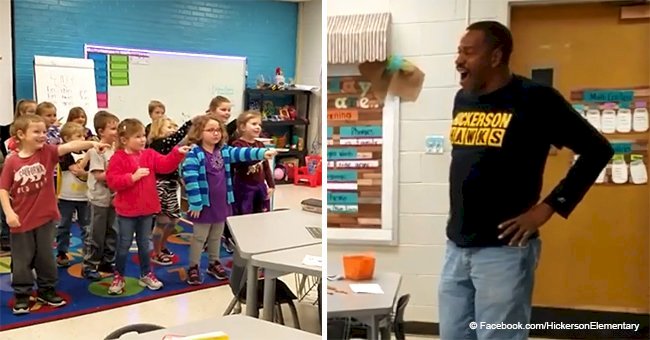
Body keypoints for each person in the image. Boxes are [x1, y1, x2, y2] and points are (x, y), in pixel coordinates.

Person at [438, 21, 614, 340]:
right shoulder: (463, 99)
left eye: (468, 52)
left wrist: (547, 208)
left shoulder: (536, 99)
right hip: (457, 246)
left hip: (504, 252)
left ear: (495, 56)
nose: (458, 60)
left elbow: (597, 150)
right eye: (458, 52)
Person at [0, 114, 109, 314]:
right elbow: (3, 189)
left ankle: (46, 290)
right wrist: (9, 213)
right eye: (37, 132)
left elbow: (70, 147)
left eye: (44, 131)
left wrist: (93, 144)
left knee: (45, 257)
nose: (43, 136)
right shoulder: (12, 162)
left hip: (46, 218)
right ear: (21, 134)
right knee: (22, 260)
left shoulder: (48, 153)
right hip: (21, 220)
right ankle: (22, 294)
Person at [181, 115, 275, 285]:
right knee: (200, 237)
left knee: (217, 235)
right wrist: (195, 202)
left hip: (222, 203)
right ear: (199, 133)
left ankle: (213, 262)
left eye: (218, 130)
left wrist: (262, 152)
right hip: (203, 205)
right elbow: (190, 177)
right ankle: (193, 266)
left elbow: (241, 153)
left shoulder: (223, 150)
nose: (215, 134)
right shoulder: (194, 154)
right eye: (210, 130)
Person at [105, 119, 190, 295]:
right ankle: (119, 276)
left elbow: (165, 165)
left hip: (146, 210)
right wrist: (132, 177)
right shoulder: (118, 158)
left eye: (143, 135)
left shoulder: (149, 154)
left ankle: (146, 273)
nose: (143, 139)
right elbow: (113, 181)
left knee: (145, 244)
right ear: (124, 139)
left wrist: (177, 153)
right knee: (124, 244)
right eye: (137, 137)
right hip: (127, 212)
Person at [148, 116, 193, 265]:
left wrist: (180, 179)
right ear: (158, 129)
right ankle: (156, 252)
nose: (173, 130)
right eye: (169, 127)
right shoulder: (157, 144)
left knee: (174, 219)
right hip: (160, 185)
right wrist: (190, 122)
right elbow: (177, 137)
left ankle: (162, 245)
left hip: (171, 184)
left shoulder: (170, 146)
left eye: (174, 127)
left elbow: (174, 164)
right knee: (162, 220)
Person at [82, 111, 120, 280]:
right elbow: (99, 175)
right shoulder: (98, 150)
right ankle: (89, 265)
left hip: (114, 199)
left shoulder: (116, 150)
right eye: (113, 128)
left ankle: (107, 260)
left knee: (112, 231)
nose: (117, 131)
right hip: (98, 199)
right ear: (101, 131)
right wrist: (119, 175)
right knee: (95, 233)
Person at [54, 122, 91, 267]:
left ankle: (88, 251)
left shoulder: (85, 153)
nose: (82, 139)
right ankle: (62, 252)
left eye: (83, 136)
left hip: (84, 196)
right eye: (78, 136)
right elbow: (77, 170)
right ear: (67, 139)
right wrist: (88, 155)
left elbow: (88, 173)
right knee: (64, 225)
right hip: (66, 197)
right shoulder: (65, 155)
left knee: (87, 226)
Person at [230, 111, 275, 215]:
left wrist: (271, 185)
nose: (258, 127)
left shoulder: (260, 145)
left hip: (260, 186)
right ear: (242, 127)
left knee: (262, 212)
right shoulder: (237, 145)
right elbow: (244, 162)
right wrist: (260, 154)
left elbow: (266, 167)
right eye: (254, 124)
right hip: (244, 188)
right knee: (245, 213)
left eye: (259, 125)